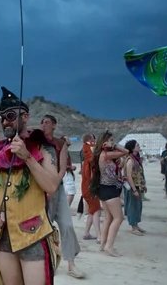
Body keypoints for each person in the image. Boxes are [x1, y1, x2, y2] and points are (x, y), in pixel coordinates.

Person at [0, 87, 61, 285]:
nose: (5, 121)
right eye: (2, 117)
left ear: (25, 116)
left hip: (33, 235)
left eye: (10, 116)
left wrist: (27, 157)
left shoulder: (42, 148)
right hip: (2, 236)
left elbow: (51, 187)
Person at [40, 114, 85, 279]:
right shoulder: (38, 143)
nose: (44, 125)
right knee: (43, 228)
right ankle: (43, 263)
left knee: (67, 225)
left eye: (47, 122)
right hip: (40, 191)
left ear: (54, 125)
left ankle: (71, 265)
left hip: (57, 190)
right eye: (42, 122)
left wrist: (52, 189)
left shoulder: (61, 144)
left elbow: (62, 169)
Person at [91, 130, 130, 257]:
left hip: (105, 188)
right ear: (104, 142)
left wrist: (111, 146)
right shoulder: (106, 154)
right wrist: (114, 146)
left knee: (108, 217)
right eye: (111, 140)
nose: (114, 142)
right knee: (118, 218)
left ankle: (103, 244)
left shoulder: (103, 155)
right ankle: (109, 246)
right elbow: (126, 152)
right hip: (109, 189)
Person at [81, 133, 101, 242]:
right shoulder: (90, 161)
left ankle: (86, 233)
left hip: (86, 188)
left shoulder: (86, 161)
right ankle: (99, 236)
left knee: (92, 211)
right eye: (94, 139)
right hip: (91, 189)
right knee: (97, 211)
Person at [123, 140, 146, 235]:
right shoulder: (130, 160)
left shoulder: (136, 159)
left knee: (138, 206)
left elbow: (139, 173)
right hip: (133, 187)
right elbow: (129, 176)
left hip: (138, 185)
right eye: (137, 145)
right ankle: (133, 227)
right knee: (132, 206)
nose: (139, 146)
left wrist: (143, 185)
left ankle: (136, 225)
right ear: (132, 148)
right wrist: (134, 189)